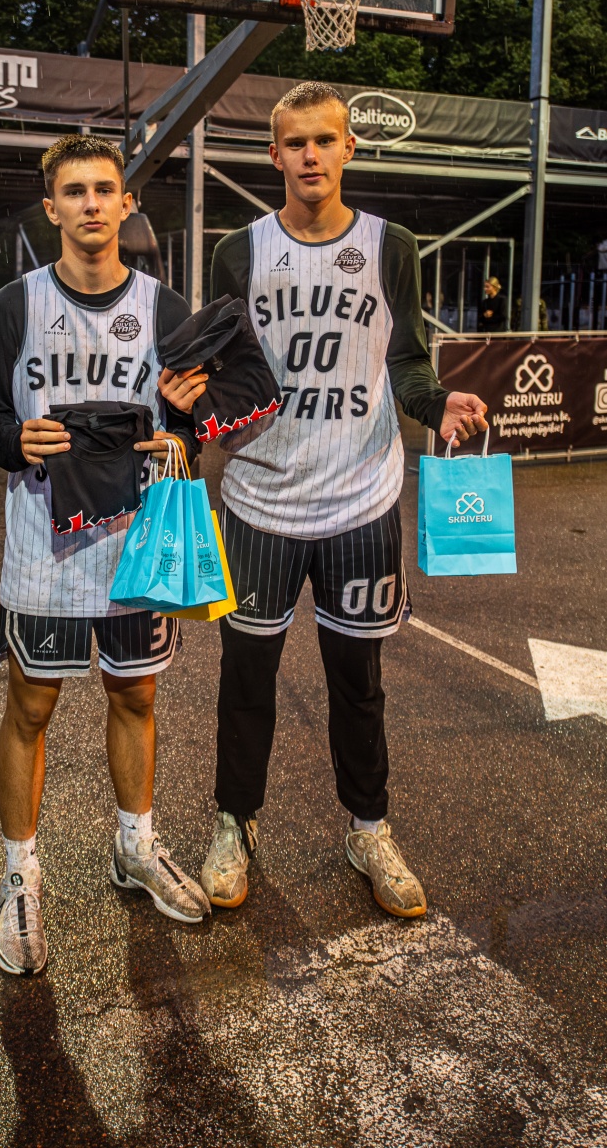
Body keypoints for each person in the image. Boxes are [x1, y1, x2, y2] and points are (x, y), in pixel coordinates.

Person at [198, 82, 488, 919]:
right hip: (258, 497)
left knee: (357, 680)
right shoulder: (238, 250)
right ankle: (234, 823)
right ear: (274, 155)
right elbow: (224, 367)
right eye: (295, 142)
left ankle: (368, 828)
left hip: (360, 498)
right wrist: (198, 411)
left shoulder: (390, 244)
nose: (310, 155)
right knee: (245, 676)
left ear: (348, 148)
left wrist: (437, 404)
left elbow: (405, 360)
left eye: (325, 140)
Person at [0, 133, 210, 976]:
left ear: (126, 203)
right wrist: (12, 440)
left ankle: (135, 846)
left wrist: (181, 433)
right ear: (51, 207)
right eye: (74, 191)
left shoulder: (165, 306)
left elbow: (192, 416)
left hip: (134, 542)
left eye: (104, 189)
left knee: (137, 695)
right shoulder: (12, 303)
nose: (90, 203)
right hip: (42, 546)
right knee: (30, 708)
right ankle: (20, 876)